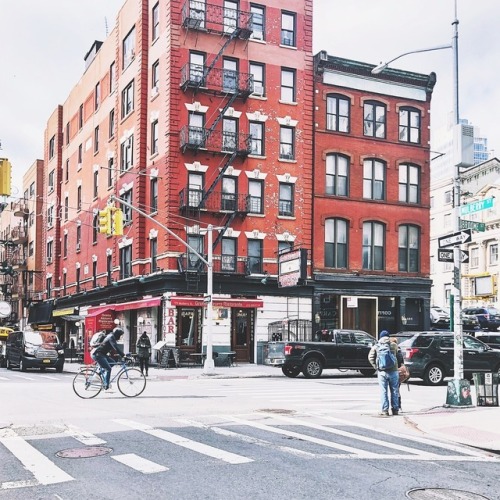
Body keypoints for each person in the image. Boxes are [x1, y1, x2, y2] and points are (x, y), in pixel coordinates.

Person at [368, 330, 400, 416]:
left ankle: (385, 410)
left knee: (383, 391)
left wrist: (376, 367)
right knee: (394, 390)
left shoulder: (376, 346)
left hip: (382, 372)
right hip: (393, 371)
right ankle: (395, 410)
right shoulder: (394, 345)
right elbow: (398, 355)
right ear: (388, 337)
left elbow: (370, 357)